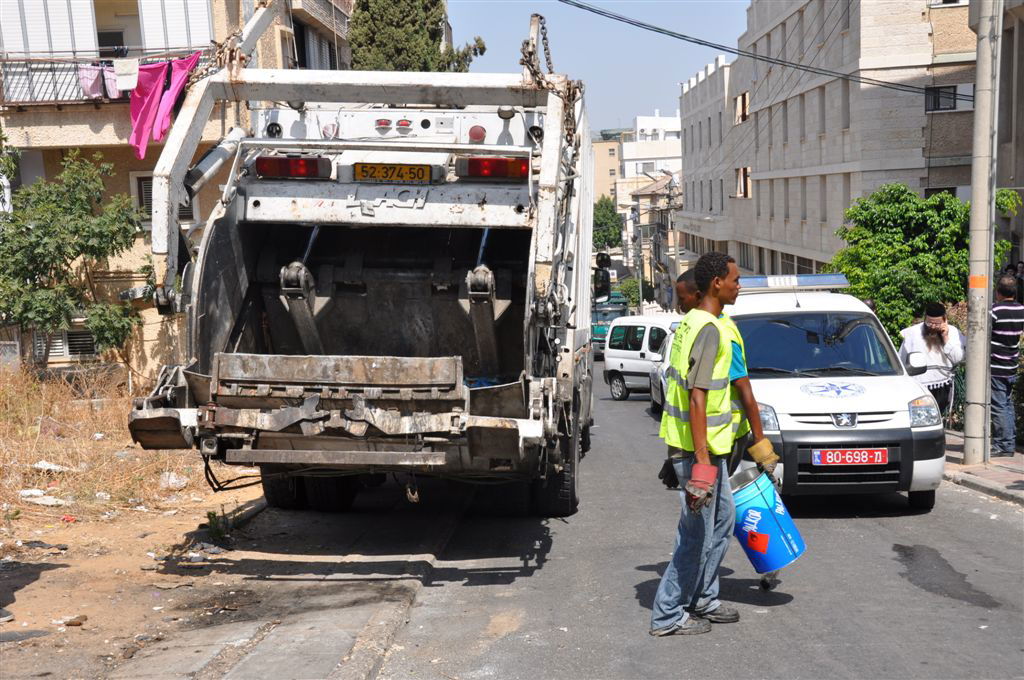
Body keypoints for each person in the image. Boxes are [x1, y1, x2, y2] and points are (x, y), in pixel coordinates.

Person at [650, 252, 778, 637]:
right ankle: (667, 615)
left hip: (705, 449)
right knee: (694, 536)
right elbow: (697, 397)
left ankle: (704, 598)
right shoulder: (708, 329)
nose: (740, 285)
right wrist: (702, 466)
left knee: (721, 521)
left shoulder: (696, 322)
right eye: (735, 280)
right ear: (717, 283)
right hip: (698, 453)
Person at [897, 302, 965, 416]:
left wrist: (945, 338)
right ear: (925, 319)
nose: (932, 327)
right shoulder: (912, 333)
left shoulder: (953, 333)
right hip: (919, 387)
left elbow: (959, 358)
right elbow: (902, 359)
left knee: (937, 417)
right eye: (929, 323)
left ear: (945, 320)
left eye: (937, 324)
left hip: (943, 386)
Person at [991, 274, 1024, 456]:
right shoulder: (1021, 309)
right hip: (1011, 365)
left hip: (996, 366)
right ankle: (1009, 443)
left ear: (998, 292)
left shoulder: (995, 310)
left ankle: (1002, 445)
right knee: (1007, 404)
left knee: (999, 406)